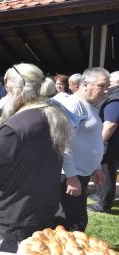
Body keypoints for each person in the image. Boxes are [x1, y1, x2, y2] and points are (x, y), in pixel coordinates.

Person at [0, 63, 72, 253]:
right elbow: (21, 140)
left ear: (20, 91)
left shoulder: (18, 127)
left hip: (16, 215)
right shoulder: (51, 112)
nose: (6, 96)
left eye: (8, 91)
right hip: (40, 206)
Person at [54, 67, 108, 231]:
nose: (105, 91)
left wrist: (97, 167)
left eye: (107, 87)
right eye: (101, 86)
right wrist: (71, 176)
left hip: (80, 174)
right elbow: (64, 143)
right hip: (70, 176)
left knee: (77, 220)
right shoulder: (73, 105)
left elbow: (90, 139)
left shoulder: (90, 106)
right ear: (85, 84)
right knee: (69, 223)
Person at [91, 71, 119, 213]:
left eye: (110, 81)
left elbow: (111, 124)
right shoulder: (113, 96)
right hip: (110, 143)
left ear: (117, 82)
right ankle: (102, 196)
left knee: (106, 171)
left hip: (108, 143)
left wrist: (98, 142)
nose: (107, 84)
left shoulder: (115, 98)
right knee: (105, 170)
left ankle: (104, 205)